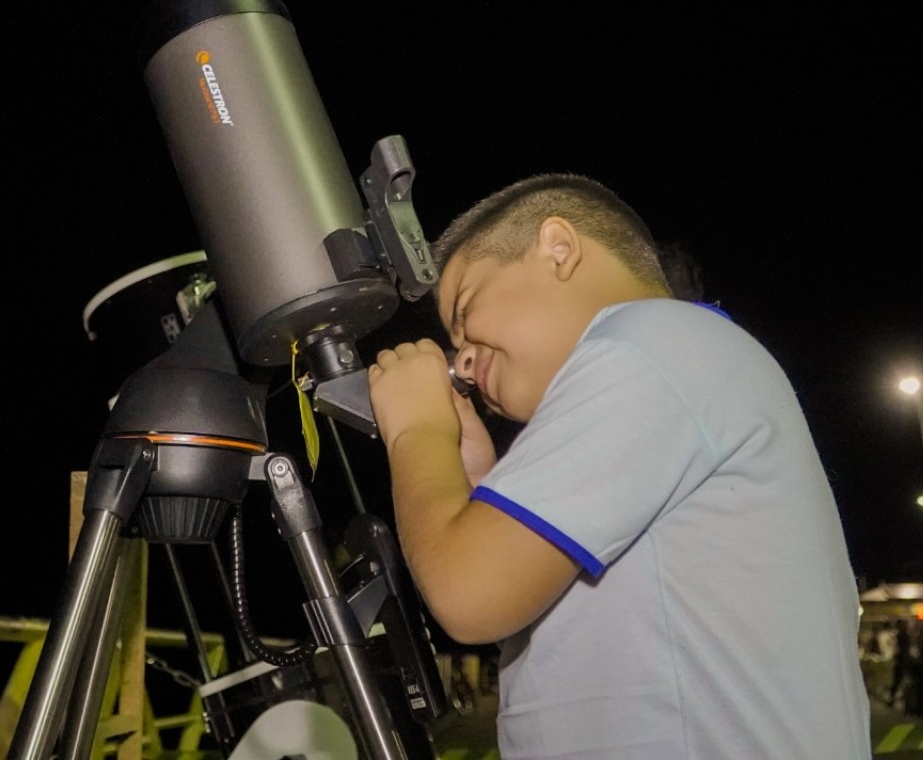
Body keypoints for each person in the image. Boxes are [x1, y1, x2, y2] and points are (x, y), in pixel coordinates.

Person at [366, 173, 871, 759]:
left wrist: (415, 430)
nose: (464, 358)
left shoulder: (649, 341)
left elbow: (468, 595)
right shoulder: (675, 361)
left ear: (558, 248)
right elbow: (532, 609)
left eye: (466, 309)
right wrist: (475, 481)